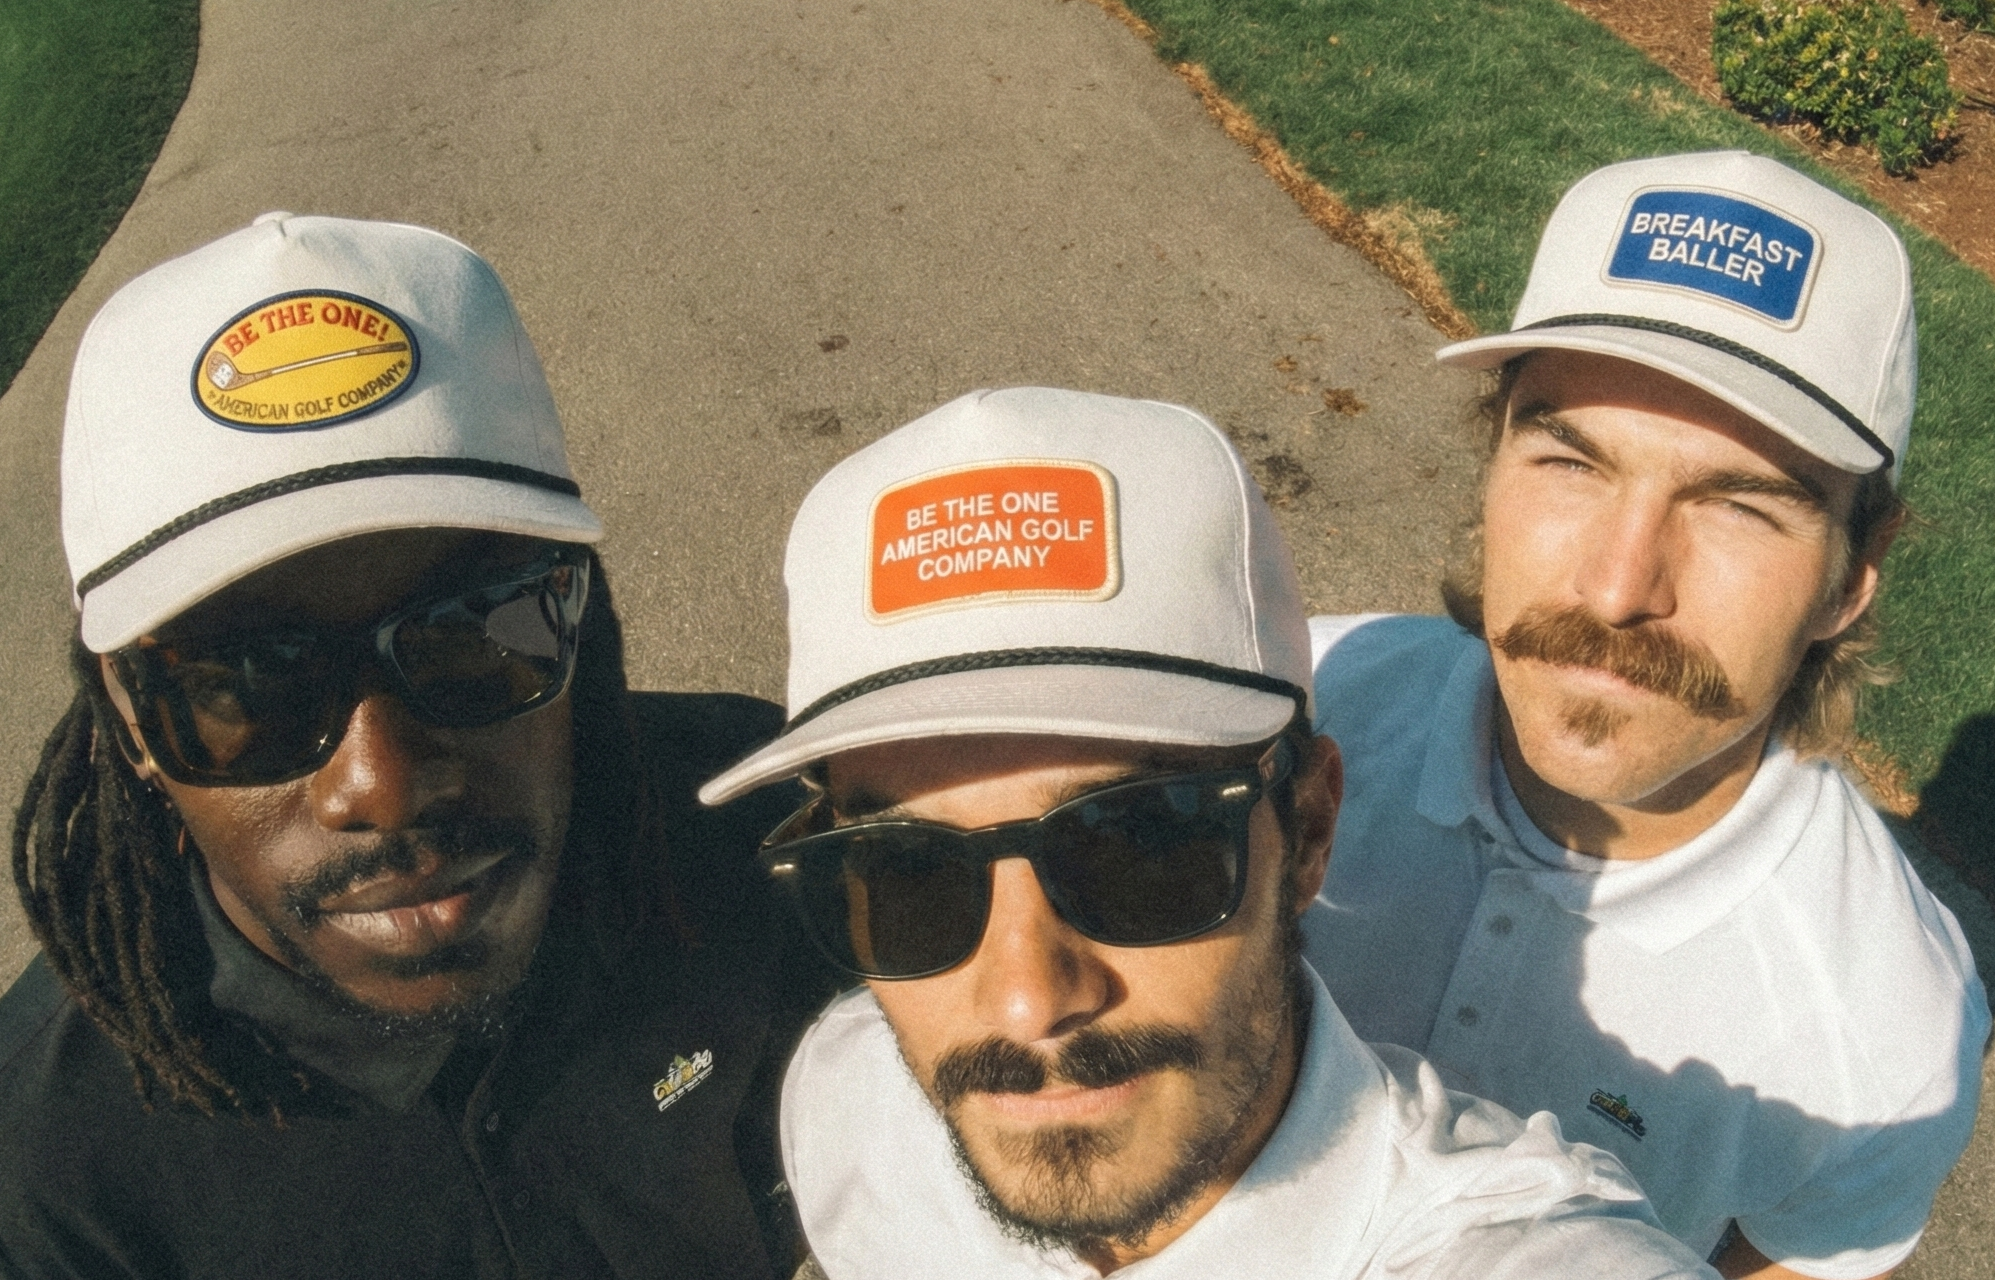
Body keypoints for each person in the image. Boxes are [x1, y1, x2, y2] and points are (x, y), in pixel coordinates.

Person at [697, 386, 1717, 1278]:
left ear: (1309, 828)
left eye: (1140, 845)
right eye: (904, 871)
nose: (1025, 997)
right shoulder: (849, 1101)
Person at [0, 213, 834, 1277]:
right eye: (246, 685)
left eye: (478, 632)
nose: (382, 782)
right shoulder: (48, 1185)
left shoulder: (762, 835)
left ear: (583, 619)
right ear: (128, 721)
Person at [1301, 151, 1988, 1280]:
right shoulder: (1290, 709)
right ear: (1492, 460)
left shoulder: (1884, 1025)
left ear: (1854, 572)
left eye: (1739, 504)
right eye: (1570, 458)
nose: (1620, 586)